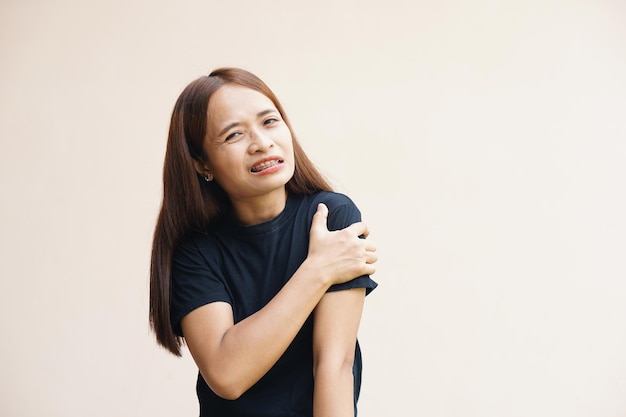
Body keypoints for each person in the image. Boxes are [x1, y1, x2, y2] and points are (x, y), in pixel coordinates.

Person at [149, 67, 378, 417]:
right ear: (201, 164)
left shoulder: (331, 218)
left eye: (269, 122)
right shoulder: (195, 251)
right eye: (234, 135)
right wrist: (317, 271)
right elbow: (227, 374)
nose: (261, 143)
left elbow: (334, 365)